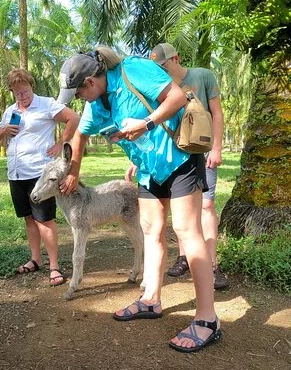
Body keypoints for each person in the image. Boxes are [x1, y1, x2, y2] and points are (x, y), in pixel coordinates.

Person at [57, 46, 221, 353]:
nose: (80, 100)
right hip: (148, 168)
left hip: (179, 156)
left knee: (187, 231)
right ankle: (151, 299)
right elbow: (79, 136)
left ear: (90, 82)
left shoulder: (132, 70)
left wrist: (146, 123)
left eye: (78, 93)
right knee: (151, 229)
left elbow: (176, 97)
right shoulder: (96, 104)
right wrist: (74, 174)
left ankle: (207, 319)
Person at [150, 43, 228, 290]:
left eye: (164, 65)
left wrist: (216, 148)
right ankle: (184, 257)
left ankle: (212, 264)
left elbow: (217, 113)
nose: (162, 70)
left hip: (201, 149)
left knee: (206, 205)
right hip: (174, 154)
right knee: (180, 209)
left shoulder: (202, 76)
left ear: (176, 58)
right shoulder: (159, 84)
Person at [0, 68, 79, 286]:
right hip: (16, 173)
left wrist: (61, 143)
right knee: (29, 218)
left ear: (31, 86)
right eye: (17, 93)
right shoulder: (10, 111)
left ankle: (54, 266)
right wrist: (3, 131)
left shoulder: (46, 104)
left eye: (25, 91)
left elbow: (73, 118)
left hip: (39, 174)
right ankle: (35, 259)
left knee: (44, 220)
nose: (22, 96)